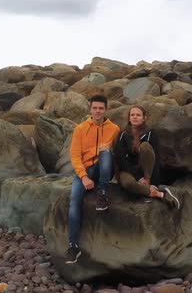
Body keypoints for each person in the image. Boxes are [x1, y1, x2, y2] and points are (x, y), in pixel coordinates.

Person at [65, 94, 120, 264]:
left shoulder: (114, 129)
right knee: (74, 201)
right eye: (95, 108)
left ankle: (102, 191)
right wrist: (83, 177)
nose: (97, 111)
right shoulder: (80, 129)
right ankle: (74, 246)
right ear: (90, 109)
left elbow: (118, 155)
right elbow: (74, 155)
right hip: (86, 171)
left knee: (105, 151)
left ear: (106, 110)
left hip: (105, 168)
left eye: (101, 108)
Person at [114, 105, 180, 209]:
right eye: (132, 115)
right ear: (129, 118)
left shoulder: (151, 133)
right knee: (127, 183)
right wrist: (139, 178)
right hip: (127, 170)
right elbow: (120, 159)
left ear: (144, 118)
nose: (135, 117)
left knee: (145, 146)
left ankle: (148, 185)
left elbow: (156, 159)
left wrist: (153, 183)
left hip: (145, 169)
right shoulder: (123, 134)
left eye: (138, 115)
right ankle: (159, 194)